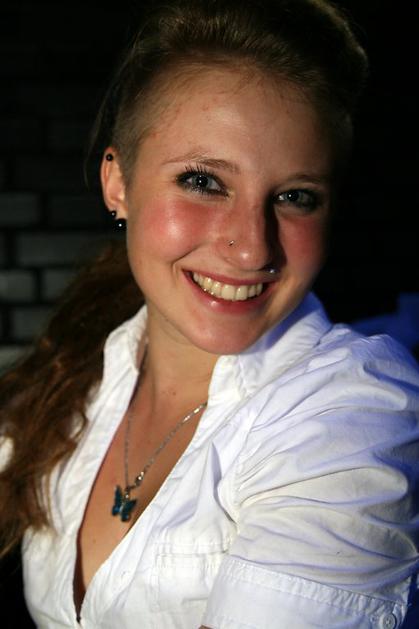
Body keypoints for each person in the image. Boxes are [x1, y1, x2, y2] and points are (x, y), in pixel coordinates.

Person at [1, 0, 419, 627]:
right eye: (203, 181)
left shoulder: (350, 414)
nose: (252, 248)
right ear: (118, 184)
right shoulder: (81, 367)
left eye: (295, 196)